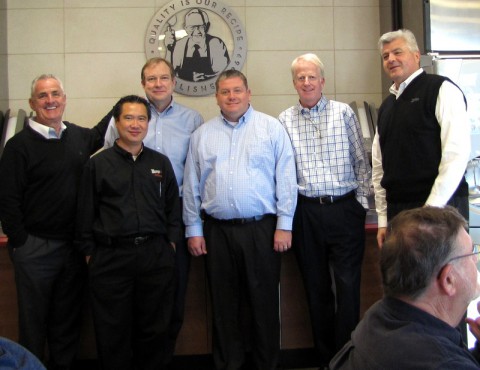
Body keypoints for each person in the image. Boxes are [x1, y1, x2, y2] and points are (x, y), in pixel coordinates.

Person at [183, 70, 298, 370]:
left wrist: (284, 225)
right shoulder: (202, 135)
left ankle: (266, 365)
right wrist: (193, 229)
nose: (231, 96)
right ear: (216, 96)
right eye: (225, 92)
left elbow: (286, 178)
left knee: (263, 305)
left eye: (237, 90)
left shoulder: (271, 129)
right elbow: (191, 186)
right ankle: (228, 365)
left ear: (249, 93)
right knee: (223, 306)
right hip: (216, 232)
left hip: (261, 229)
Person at [0, 74, 110, 369]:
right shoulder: (18, 146)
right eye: (43, 96)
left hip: (72, 249)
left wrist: (126, 102)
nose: (50, 100)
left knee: (67, 323)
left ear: (64, 98)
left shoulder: (77, 137)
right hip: (34, 249)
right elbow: (7, 199)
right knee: (33, 325)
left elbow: (101, 132)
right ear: (32, 103)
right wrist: (21, 242)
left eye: (55, 94)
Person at [102, 57, 203, 367]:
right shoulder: (127, 116)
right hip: (127, 229)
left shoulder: (192, 120)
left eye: (163, 78)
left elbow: (197, 175)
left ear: (173, 82)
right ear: (143, 83)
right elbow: (109, 166)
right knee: (129, 311)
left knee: (169, 307)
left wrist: (182, 233)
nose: (157, 84)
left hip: (173, 225)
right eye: (151, 79)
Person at [278, 53, 371, 366]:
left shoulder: (343, 113)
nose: (307, 82)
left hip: (344, 209)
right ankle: (325, 357)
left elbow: (362, 162)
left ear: (322, 81)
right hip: (305, 214)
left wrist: (359, 204)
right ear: (294, 83)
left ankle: (347, 357)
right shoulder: (284, 120)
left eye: (312, 76)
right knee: (315, 288)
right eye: (301, 77)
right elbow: (283, 172)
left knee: (348, 287)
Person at [75, 95, 181, 370]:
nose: (136, 124)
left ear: (148, 123)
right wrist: (90, 254)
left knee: (155, 330)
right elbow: (85, 213)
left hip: (154, 257)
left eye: (142, 118)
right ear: (117, 122)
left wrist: (169, 244)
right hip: (110, 259)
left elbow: (173, 208)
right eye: (129, 118)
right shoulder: (97, 164)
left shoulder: (160, 163)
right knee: (113, 332)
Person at [330, 206, 480, 369]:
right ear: (448, 280)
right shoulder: (445, 363)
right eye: (472, 252)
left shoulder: (378, 318)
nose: (476, 259)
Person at [373, 29, 470, 249]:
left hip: (440, 210)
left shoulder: (442, 90)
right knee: (408, 282)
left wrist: (428, 212)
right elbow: (379, 167)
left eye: (398, 52)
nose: (391, 59)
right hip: (398, 213)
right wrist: (382, 220)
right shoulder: (387, 107)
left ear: (416, 55)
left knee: (445, 279)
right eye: (386, 56)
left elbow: (456, 156)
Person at [164, 8, 230, 82]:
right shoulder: (180, 45)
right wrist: (169, 49)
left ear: (207, 27)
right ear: (186, 28)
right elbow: (168, 74)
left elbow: (224, 75)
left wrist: (205, 78)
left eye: (200, 27)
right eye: (192, 28)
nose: (197, 31)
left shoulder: (216, 44)